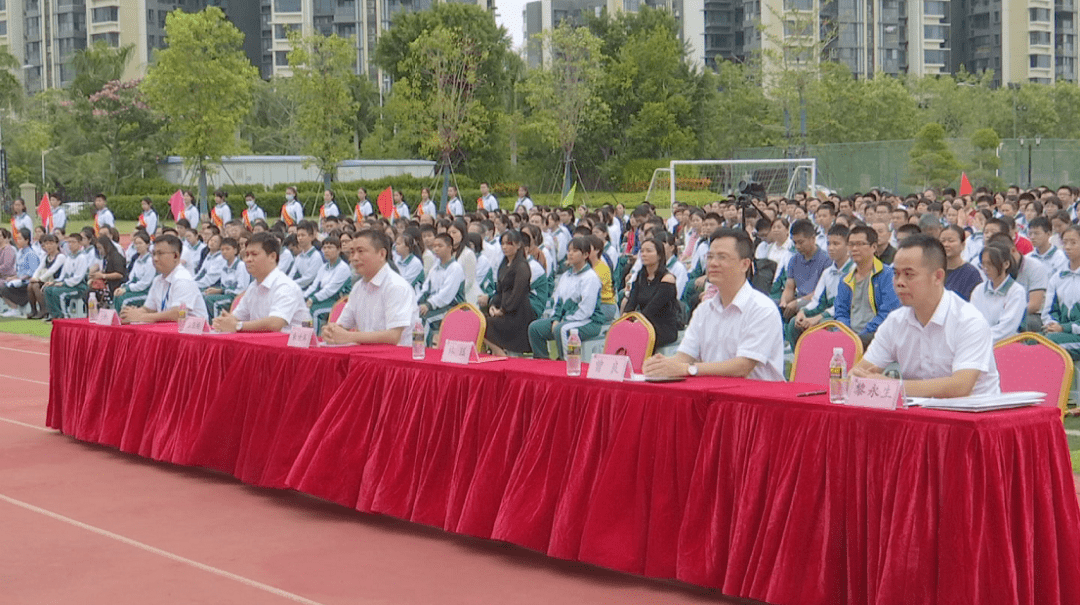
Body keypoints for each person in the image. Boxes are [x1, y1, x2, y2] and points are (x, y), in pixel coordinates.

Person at [852, 235, 1001, 397]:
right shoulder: (895, 321)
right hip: (919, 415)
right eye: (896, 274)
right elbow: (858, 374)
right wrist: (860, 378)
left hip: (971, 416)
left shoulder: (969, 321)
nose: (899, 282)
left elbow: (960, 387)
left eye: (909, 275)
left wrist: (890, 386)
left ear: (938, 276)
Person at [643, 228, 785, 380]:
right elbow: (684, 356)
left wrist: (688, 369)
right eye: (710, 257)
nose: (713, 263)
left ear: (745, 264)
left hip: (756, 400)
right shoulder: (704, 309)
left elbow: (742, 366)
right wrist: (662, 365)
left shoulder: (762, 309)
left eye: (722, 257)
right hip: (713, 396)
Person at [322, 229, 420, 346]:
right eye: (352, 252)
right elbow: (343, 325)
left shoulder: (396, 286)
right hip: (365, 357)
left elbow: (393, 336)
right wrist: (332, 331)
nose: (354, 258)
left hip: (394, 359)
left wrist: (349, 336)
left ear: (381, 254)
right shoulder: (358, 287)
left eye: (361, 251)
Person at [213, 232, 310, 332]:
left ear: (272, 257)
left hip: (292, 345)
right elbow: (237, 316)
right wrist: (226, 321)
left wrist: (238, 326)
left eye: (254, 254)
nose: (248, 259)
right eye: (246, 255)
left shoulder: (285, 286)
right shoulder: (253, 287)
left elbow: (275, 323)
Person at [528, 236, 604, 360]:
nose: (570, 254)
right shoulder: (566, 275)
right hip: (564, 319)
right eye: (569, 251)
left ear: (585, 255)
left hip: (590, 321)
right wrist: (556, 318)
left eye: (575, 251)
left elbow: (586, 310)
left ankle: (566, 363)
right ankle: (542, 362)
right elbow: (557, 301)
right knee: (535, 328)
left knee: (562, 329)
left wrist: (563, 320)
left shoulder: (590, 278)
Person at [834, 225, 901, 347]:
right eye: (851, 244)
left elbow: (888, 313)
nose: (854, 249)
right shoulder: (845, 279)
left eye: (860, 244)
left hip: (877, 334)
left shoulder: (887, 275)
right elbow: (840, 312)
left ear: (874, 247)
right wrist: (848, 333)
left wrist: (861, 335)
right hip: (850, 335)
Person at [787, 224, 853, 345]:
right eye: (828, 244)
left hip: (844, 316)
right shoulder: (828, 273)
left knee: (824, 323)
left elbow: (844, 305)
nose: (831, 248)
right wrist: (803, 312)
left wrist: (818, 318)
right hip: (826, 314)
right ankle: (800, 361)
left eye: (836, 244)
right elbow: (817, 301)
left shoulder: (854, 270)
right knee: (794, 323)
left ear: (848, 246)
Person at [120, 234, 207, 324]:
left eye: (160, 253)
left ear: (175, 256)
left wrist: (141, 316)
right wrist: (132, 313)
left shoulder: (183, 279)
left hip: (192, 334)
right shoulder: (158, 280)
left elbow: (178, 314)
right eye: (153, 254)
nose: (155, 258)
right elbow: (149, 309)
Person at [622, 236, 680, 348]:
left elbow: (652, 308)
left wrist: (635, 323)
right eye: (642, 251)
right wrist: (624, 321)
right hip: (643, 322)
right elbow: (631, 303)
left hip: (663, 326)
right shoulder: (640, 276)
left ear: (659, 255)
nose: (643, 254)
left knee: (637, 337)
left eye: (649, 251)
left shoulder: (667, 278)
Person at [484, 229, 536, 355]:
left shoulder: (522, 266)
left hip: (517, 313)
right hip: (503, 308)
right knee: (478, 320)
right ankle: (496, 352)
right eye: (502, 244)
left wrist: (502, 310)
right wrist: (492, 306)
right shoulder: (504, 264)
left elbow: (517, 295)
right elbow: (499, 290)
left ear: (518, 245)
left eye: (509, 244)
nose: (505, 247)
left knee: (485, 323)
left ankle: (500, 353)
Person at [987, 231, 1048, 333]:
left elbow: (1034, 305)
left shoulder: (1035, 267)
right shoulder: (999, 268)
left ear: (1013, 250)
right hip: (1003, 314)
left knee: (1021, 323)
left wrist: (1009, 314)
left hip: (1032, 316)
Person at [970, 243, 1025, 343]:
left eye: (990, 264)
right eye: (983, 264)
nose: (985, 269)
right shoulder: (979, 290)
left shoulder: (1016, 291)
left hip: (1006, 345)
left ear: (1006, 264)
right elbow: (971, 319)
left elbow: (1006, 329)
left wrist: (979, 339)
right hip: (979, 342)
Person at [416, 233, 466, 344]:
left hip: (453, 307)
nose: (436, 249)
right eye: (434, 246)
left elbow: (446, 296)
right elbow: (425, 288)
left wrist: (428, 305)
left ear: (450, 247)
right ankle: (412, 348)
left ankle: (423, 351)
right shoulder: (435, 266)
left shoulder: (455, 268)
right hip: (436, 306)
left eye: (440, 246)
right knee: (413, 315)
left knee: (425, 320)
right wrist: (416, 302)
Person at [779, 219, 832, 319]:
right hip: (798, 299)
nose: (797, 246)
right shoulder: (794, 260)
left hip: (816, 302)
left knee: (794, 320)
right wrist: (784, 301)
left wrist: (797, 302)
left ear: (813, 238)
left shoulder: (826, 260)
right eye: (795, 243)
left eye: (801, 242)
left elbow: (820, 293)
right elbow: (789, 287)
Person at [1042, 225, 1080, 359]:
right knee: (1033, 340)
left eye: (1073, 243)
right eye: (1065, 243)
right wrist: (1051, 325)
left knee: (1048, 345)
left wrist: (1064, 328)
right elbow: (1048, 311)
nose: (1068, 247)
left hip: (1075, 335)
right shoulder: (1058, 277)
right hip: (1059, 333)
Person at [305, 236, 352, 333]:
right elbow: (314, 286)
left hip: (338, 301)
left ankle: (315, 339)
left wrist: (312, 299)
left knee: (313, 311)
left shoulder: (343, 268)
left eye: (330, 247)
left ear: (339, 250)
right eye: (324, 248)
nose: (326, 250)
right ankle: (304, 337)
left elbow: (330, 290)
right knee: (303, 309)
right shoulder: (324, 267)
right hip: (324, 299)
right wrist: (304, 297)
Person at [42, 232, 91, 320]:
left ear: (80, 244)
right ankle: (54, 315)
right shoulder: (69, 257)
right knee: (48, 289)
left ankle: (63, 316)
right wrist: (54, 282)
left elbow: (78, 278)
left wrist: (63, 283)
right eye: (69, 242)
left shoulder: (82, 258)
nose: (70, 245)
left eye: (73, 242)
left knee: (58, 293)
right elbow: (63, 275)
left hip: (79, 287)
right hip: (68, 285)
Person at [201, 237, 250, 318]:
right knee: (203, 295)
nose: (224, 252)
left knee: (211, 301)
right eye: (222, 250)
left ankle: (216, 325)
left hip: (235, 297)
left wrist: (220, 291)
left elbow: (241, 289)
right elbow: (223, 285)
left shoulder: (240, 266)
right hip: (226, 294)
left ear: (235, 250)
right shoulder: (224, 266)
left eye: (227, 249)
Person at [0, 228, 41, 316]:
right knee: (5, 284)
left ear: (26, 240)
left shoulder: (31, 254)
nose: (17, 241)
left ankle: (15, 307)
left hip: (26, 282)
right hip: (18, 280)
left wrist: (18, 278)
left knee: (3, 286)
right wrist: (13, 278)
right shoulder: (20, 252)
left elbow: (32, 272)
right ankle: (13, 307)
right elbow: (19, 271)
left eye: (20, 239)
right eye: (17, 238)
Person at [112, 232, 155, 312]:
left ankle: (124, 321)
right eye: (136, 244)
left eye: (140, 243)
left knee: (124, 300)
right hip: (137, 289)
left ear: (148, 244)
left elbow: (144, 284)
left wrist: (127, 289)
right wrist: (123, 287)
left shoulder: (150, 261)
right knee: (117, 295)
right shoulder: (138, 260)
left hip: (146, 292)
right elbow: (131, 279)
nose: (137, 246)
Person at [26, 234, 65, 319]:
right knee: (30, 286)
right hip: (45, 280)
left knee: (36, 286)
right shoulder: (46, 256)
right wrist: (34, 277)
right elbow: (39, 268)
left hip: (55, 280)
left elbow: (52, 270)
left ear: (57, 244)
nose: (48, 246)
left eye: (51, 243)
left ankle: (44, 309)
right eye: (46, 244)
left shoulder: (60, 256)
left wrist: (39, 279)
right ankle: (33, 310)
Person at [939, 225, 982, 301]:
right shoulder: (934, 270)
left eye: (951, 241)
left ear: (962, 245)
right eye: (943, 241)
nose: (946, 244)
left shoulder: (971, 273)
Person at [87, 234, 128, 308]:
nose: (99, 251)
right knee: (89, 292)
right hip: (109, 284)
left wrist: (103, 276)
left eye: (100, 248)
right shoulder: (107, 257)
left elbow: (120, 274)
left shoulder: (116, 257)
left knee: (91, 293)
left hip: (116, 285)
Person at [289, 221, 323, 290]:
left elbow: (308, 278)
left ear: (311, 236)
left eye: (303, 235)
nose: (300, 238)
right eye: (298, 235)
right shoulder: (299, 257)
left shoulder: (316, 256)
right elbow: (292, 274)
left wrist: (290, 284)